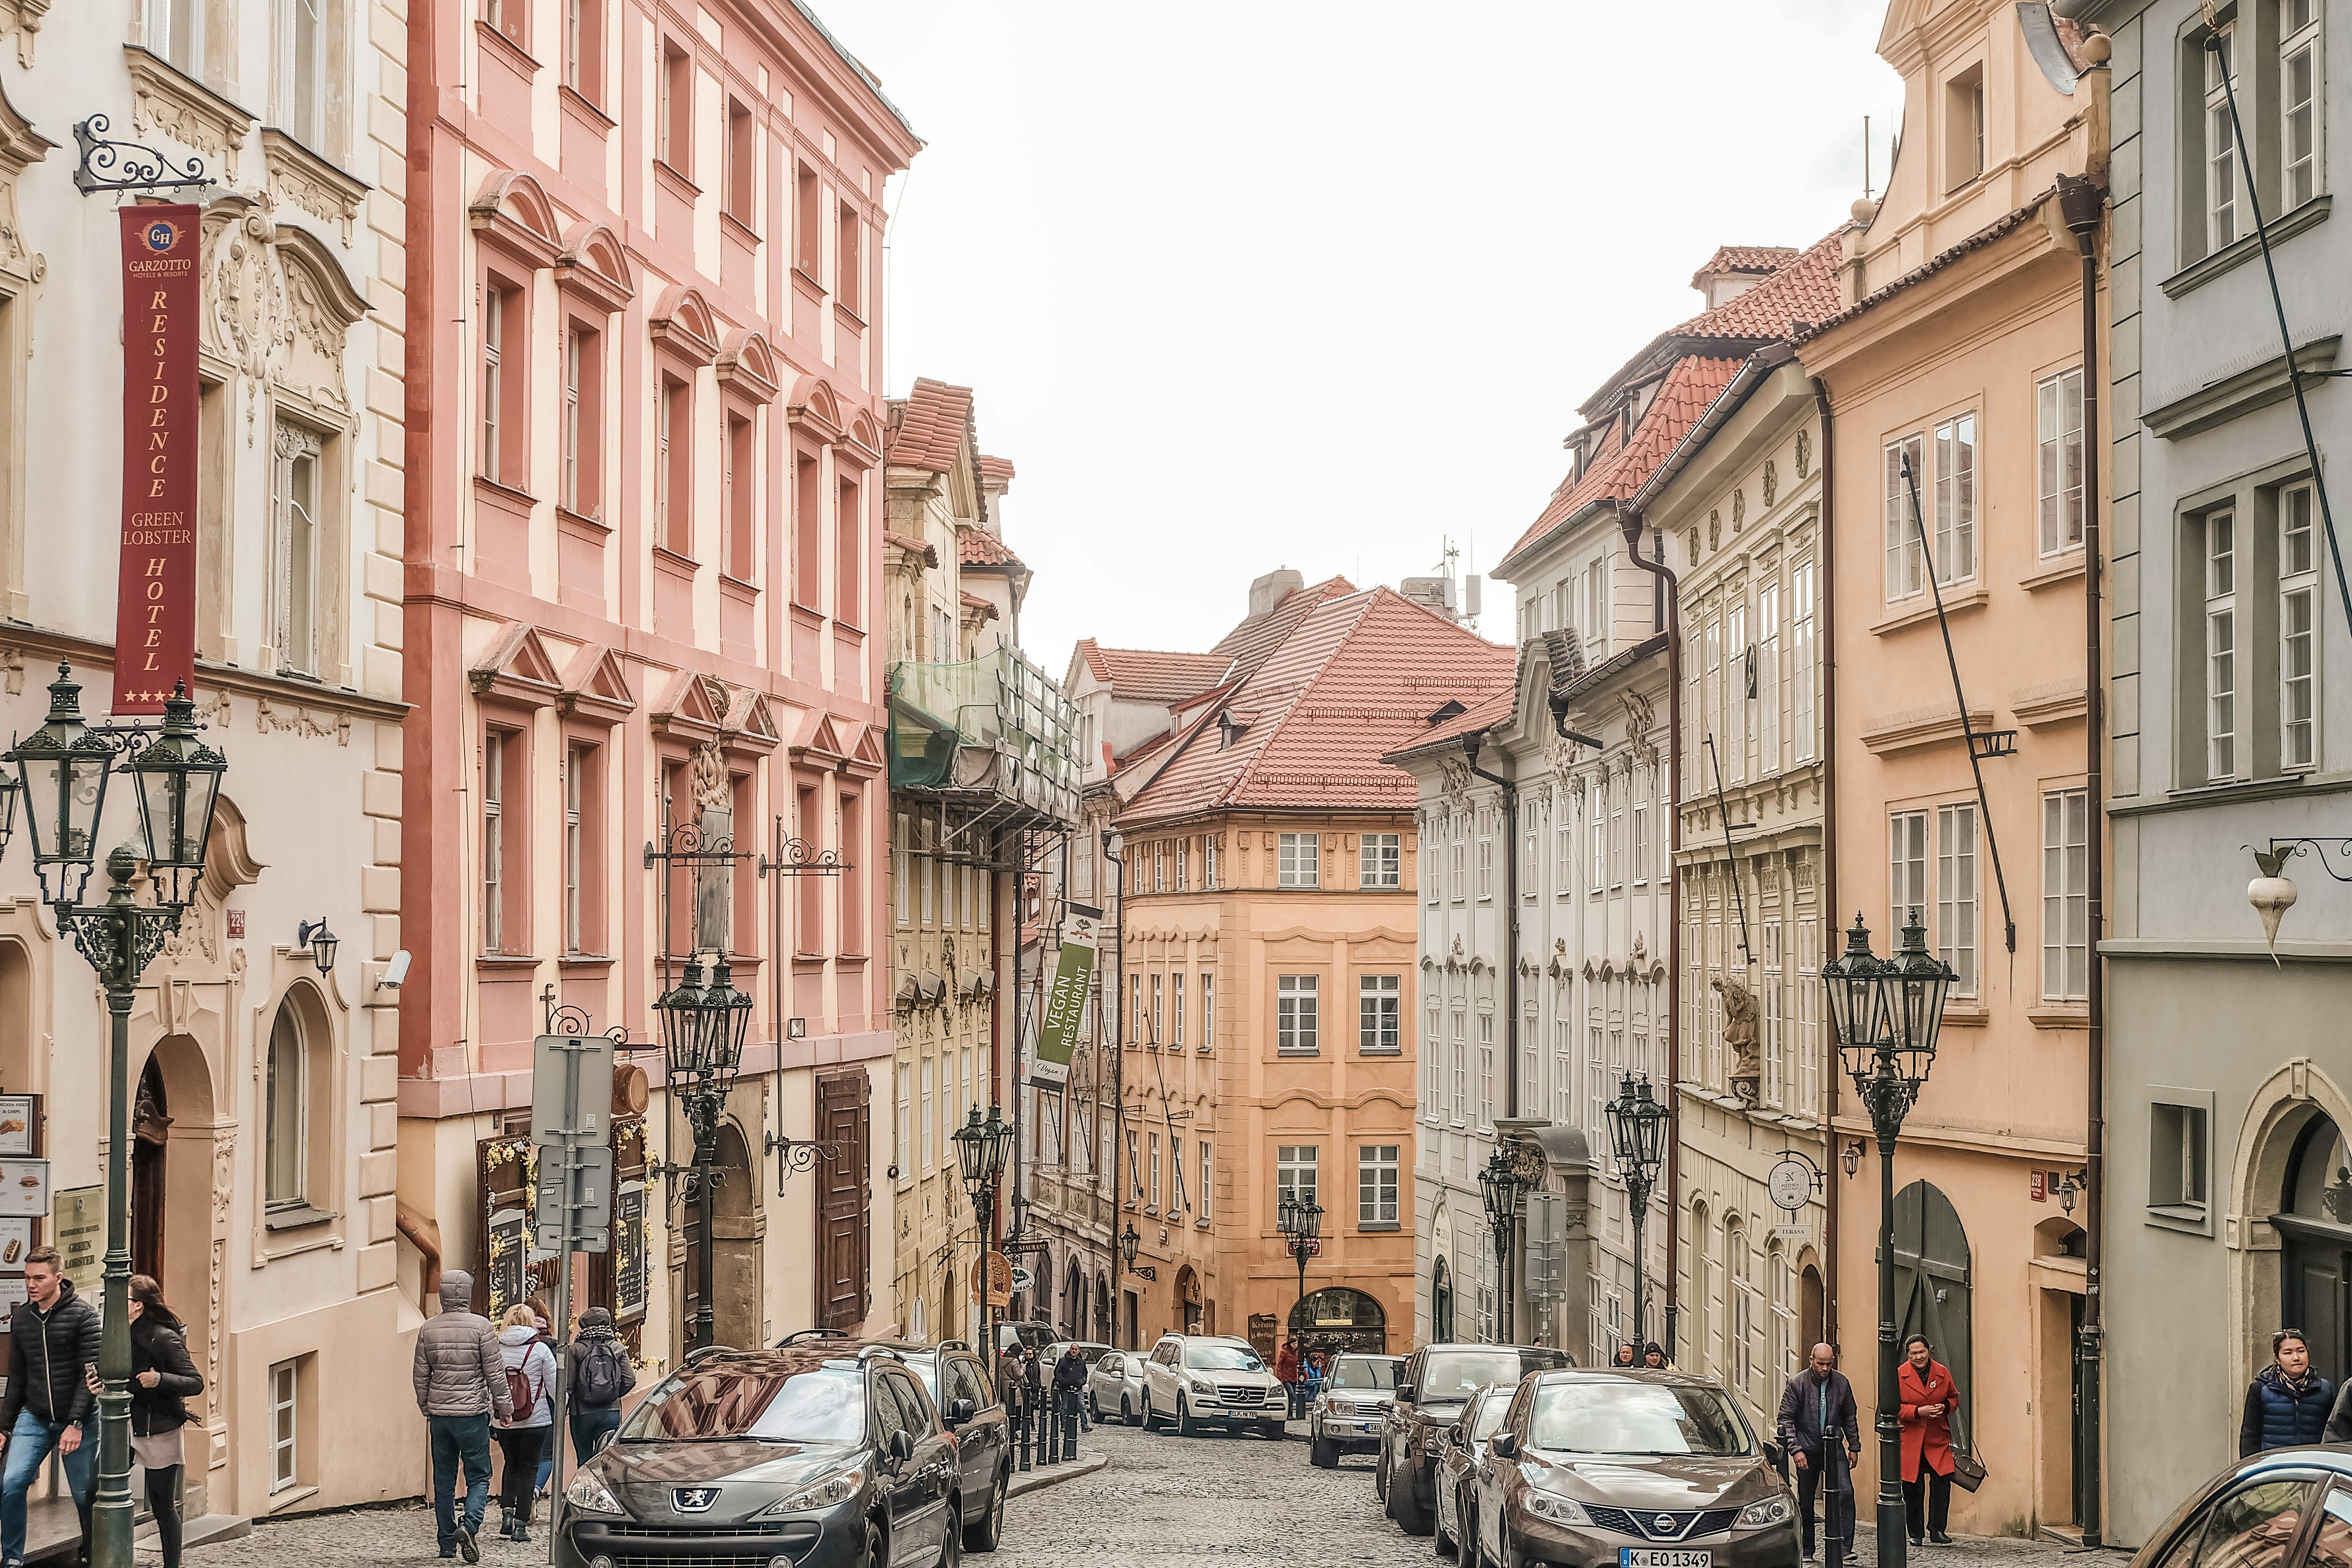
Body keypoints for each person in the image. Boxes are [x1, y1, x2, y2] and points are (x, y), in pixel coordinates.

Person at [0, 1248, 100, 1568]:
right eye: (27, 1278)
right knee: (12, 1484)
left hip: (77, 1418)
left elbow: (91, 1376)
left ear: (58, 1278)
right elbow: (17, 1376)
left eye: (39, 1278)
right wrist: (5, 1426)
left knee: (84, 1495)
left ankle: (93, 1552)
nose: (31, 1285)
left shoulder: (84, 1316)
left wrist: (76, 1423)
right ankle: (12, 1558)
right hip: (36, 1415)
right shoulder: (23, 1319)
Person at [413, 1270, 514, 1563]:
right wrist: (504, 1409)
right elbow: (495, 1374)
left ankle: (446, 1543)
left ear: (443, 1295)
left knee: (443, 1481)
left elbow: (421, 1376)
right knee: (479, 1476)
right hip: (472, 1415)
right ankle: (469, 1526)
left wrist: (426, 1407)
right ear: (468, 1295)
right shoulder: (482, 1327)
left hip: (441, 1416)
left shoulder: (428, 1329)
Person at [124, 1276, 202, 1568]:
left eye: (124, 1300)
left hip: (158, 1428)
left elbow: (195, 1382)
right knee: (99, 1490)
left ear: (138, 1307)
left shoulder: (163, 1337)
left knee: (162, 1505)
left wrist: (158, 1379)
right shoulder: (117, 1334)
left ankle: (173, 1564)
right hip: (124, 1427)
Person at [1776, 1342, 1860, 1564]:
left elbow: (1850, 1416)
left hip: (1833, 1447)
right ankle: (1808, 1549)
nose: (1825, 1368)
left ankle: (1844, 1547)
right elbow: (1786, 1419)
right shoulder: (1798, 1384)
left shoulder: (1841, 1383)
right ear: (1812, 1360)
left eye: (1829, 1364)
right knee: (1806, 1500)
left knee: (1845, 1493)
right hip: (1807, 1447)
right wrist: (1796, 1450)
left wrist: (1854, 1446)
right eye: (1821, 1363)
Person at [493, 1303, 557, 1542]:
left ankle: (507, 1514)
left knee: (511, 1464)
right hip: (535, 1419)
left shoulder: (496, 1348)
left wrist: (494, 1413)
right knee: (530, 1468)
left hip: (504, 1420)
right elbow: (555, 1386)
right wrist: (563, 1408)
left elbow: (490, 1384)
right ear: (531, 1322)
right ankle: (521, 1525)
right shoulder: (540, 1349)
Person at [1898, 1334, 1958, 1548]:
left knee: (1942, 1482)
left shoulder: (1942, 1372)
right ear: (1908, 1355)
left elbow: (1953, 1398)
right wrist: (1917, 1411)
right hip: (1911, 1438)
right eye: (1913, 1353)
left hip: (1937, 1436)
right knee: (1913, 1487)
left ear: (1929, 1351)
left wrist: (1945, 1408)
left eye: (1922, 1352)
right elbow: (1892, 1408)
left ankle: (1938, 1529)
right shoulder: (1899, 1375)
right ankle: (1915, 1533)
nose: (1918, 1357)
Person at [2244, 1327, 2334, 1456]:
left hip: (2314, 1465)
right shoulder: (2260, 1389)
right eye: (2288, 1353)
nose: (2296, 1358)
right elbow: (2250, 1436)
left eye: (2301, 1351)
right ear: (2277, 1358)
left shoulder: (2324, 1389)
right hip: (2274, 1465)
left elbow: (2333, 1432)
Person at [567, 1307, 635, 1466]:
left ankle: (585, 1489)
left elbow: (568, 1384)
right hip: (610, 1412)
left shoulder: (576, 1349)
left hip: (581, 1413)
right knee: (607, 1459)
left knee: (584, 1459)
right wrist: (613, 1394)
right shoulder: (617, 1348)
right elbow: (630, 1380)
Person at [524, 1296, 557, 1498]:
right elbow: (557, 1382)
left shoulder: (510, 1343)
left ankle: (515, 1501)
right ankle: (535, 1490)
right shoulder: (552, 1345)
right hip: (547, 1406)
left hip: (518, 1405)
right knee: (546, 1454)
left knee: (521, 1456)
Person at [1051, 1345, 1088, 1459]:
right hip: (1065, 1388)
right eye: (1072, 1349)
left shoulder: (1081, 1362)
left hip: (1078, 1388)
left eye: (1076, 1350)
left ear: (1078, 1351)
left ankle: (1084, 1425)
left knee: (1082, 1406)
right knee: (1065, 1407)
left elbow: (1085, 1374)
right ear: (1070, 1350)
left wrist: (1081, 1382)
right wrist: (1064, 1382)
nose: (1074, 1351)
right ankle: (1064, 1425)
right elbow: (1057, 1373)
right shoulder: (1063, 1361)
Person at [1276, 1337, 1303, 1420]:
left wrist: (1304, 1375)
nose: (1295, 1345)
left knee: (1292, 1395)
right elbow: (1280, 1365)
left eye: (1296, 1344)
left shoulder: (1298, 1353)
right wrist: (1280, 1377)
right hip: (1286, 1376)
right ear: (1290, 1344)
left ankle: (1291, 1414)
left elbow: (1300, 1365)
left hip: (1294, 1377)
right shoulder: (1284, 1353)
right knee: (1291, 1394)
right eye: (1294, 1344)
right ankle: (1289, 1414)